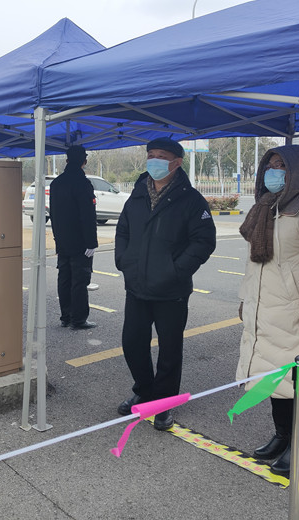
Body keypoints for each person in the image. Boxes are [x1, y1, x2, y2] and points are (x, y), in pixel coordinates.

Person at [235, 145, 299, 477]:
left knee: (294, 382)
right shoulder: (265, 208)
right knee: (272, 379)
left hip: (294, 314)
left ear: (297, 171)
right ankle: (281, 435)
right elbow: (254, 265)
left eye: (281, 166)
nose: (273, 171)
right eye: (269, 165)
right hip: (264, 309)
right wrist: (246, 300)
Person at [115, 137, 216, 430]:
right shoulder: (138, 194)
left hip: (171, 290)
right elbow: (123, 231)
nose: (154, 161)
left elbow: (203, 241)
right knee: (132, 343)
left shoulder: (191, 199)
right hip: (137, 285)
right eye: (150, 155)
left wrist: (176, 270)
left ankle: (163, 402)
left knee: (170, 350)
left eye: (160, 156)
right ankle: (144, 389)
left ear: (177, 162)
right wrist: (124, 260)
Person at [49, 145, 98, 330]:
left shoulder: (56, 183)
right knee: (80, 280)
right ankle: (78, 319)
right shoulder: (83, 183)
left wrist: (57, 237)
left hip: (62, 239)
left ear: (67, 160)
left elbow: (53, 213)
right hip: (80, 241)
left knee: (64, 277)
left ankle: (66, 316)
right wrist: (91, 242)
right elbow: (88, 216)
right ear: (84, 161)